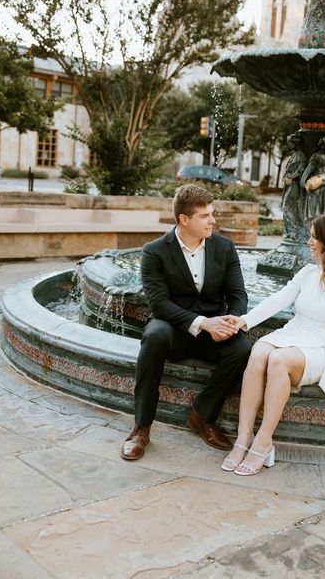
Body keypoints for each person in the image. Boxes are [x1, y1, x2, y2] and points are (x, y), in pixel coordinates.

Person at [221, 214, 325, 476]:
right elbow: (278, 299)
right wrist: (243, 321)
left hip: (320, 346)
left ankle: (263, 442)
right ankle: (243, 438)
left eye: (314, 237)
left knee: (278, 360)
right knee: (259, 350)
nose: (309, 241)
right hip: (293, 333)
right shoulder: (309, 272)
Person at [121, 184, 251, 461]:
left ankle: (203, 415)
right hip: (174, 329)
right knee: (153, 336)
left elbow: (238, 294)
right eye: (205, 216)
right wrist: (203, 323)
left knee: (242, 349)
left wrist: (231, 321)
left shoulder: (225, 247)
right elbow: (159, 304)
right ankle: (141, 427)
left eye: (212, 214)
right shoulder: (154, 251)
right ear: (184, 219)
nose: (213, 220)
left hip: (213, 333)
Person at [300, 136, 325, 222]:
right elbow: (308, 170)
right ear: (320, 146)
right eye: (323, 146)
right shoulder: (316, 156)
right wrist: (302, 181)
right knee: (313, 210)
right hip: (316, 184)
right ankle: (313, 225)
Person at [281, 132, 309, 242]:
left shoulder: (301, 155)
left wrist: (292, 176)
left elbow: (301, 169)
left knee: (287, 206)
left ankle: (293, 231)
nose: (289, 145)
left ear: (295, 144)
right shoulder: (294, 155)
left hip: (295, 185)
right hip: (290, 184)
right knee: (288, 206)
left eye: (290, 143)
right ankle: (290, 230)